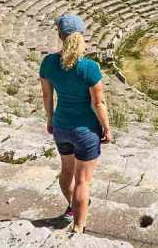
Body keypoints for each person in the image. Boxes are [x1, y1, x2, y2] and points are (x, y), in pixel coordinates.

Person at [40, 14, 112, 234]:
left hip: (61, 126)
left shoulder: (49, 63)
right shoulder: (89, 67)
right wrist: (107, 129)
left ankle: (72, 207)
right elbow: (98, 103)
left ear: (60, 35)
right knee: (83, 182)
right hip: (86, 130)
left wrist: (50, 118)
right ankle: (79, 226)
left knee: (66, 171)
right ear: (82, 36)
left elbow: (46, 96)